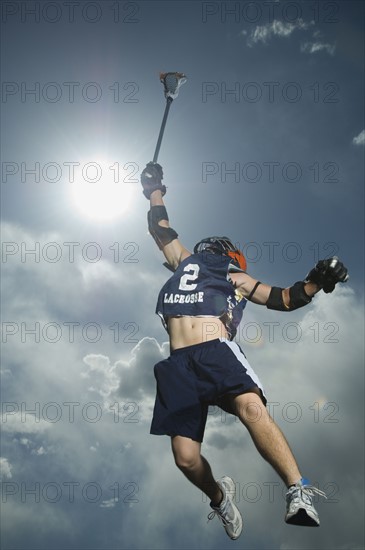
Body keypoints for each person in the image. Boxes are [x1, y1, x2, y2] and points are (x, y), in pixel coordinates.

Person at [140, 162, 349, 540]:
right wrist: (153, 187)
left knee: (252, 407)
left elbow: (284, 299)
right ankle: (220, 497)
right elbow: (160, 228)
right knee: (186, 459)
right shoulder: (184, 262)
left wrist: (318, 281)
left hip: (215, 351)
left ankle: (297, 489)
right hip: (177, 365)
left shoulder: (235, 277)